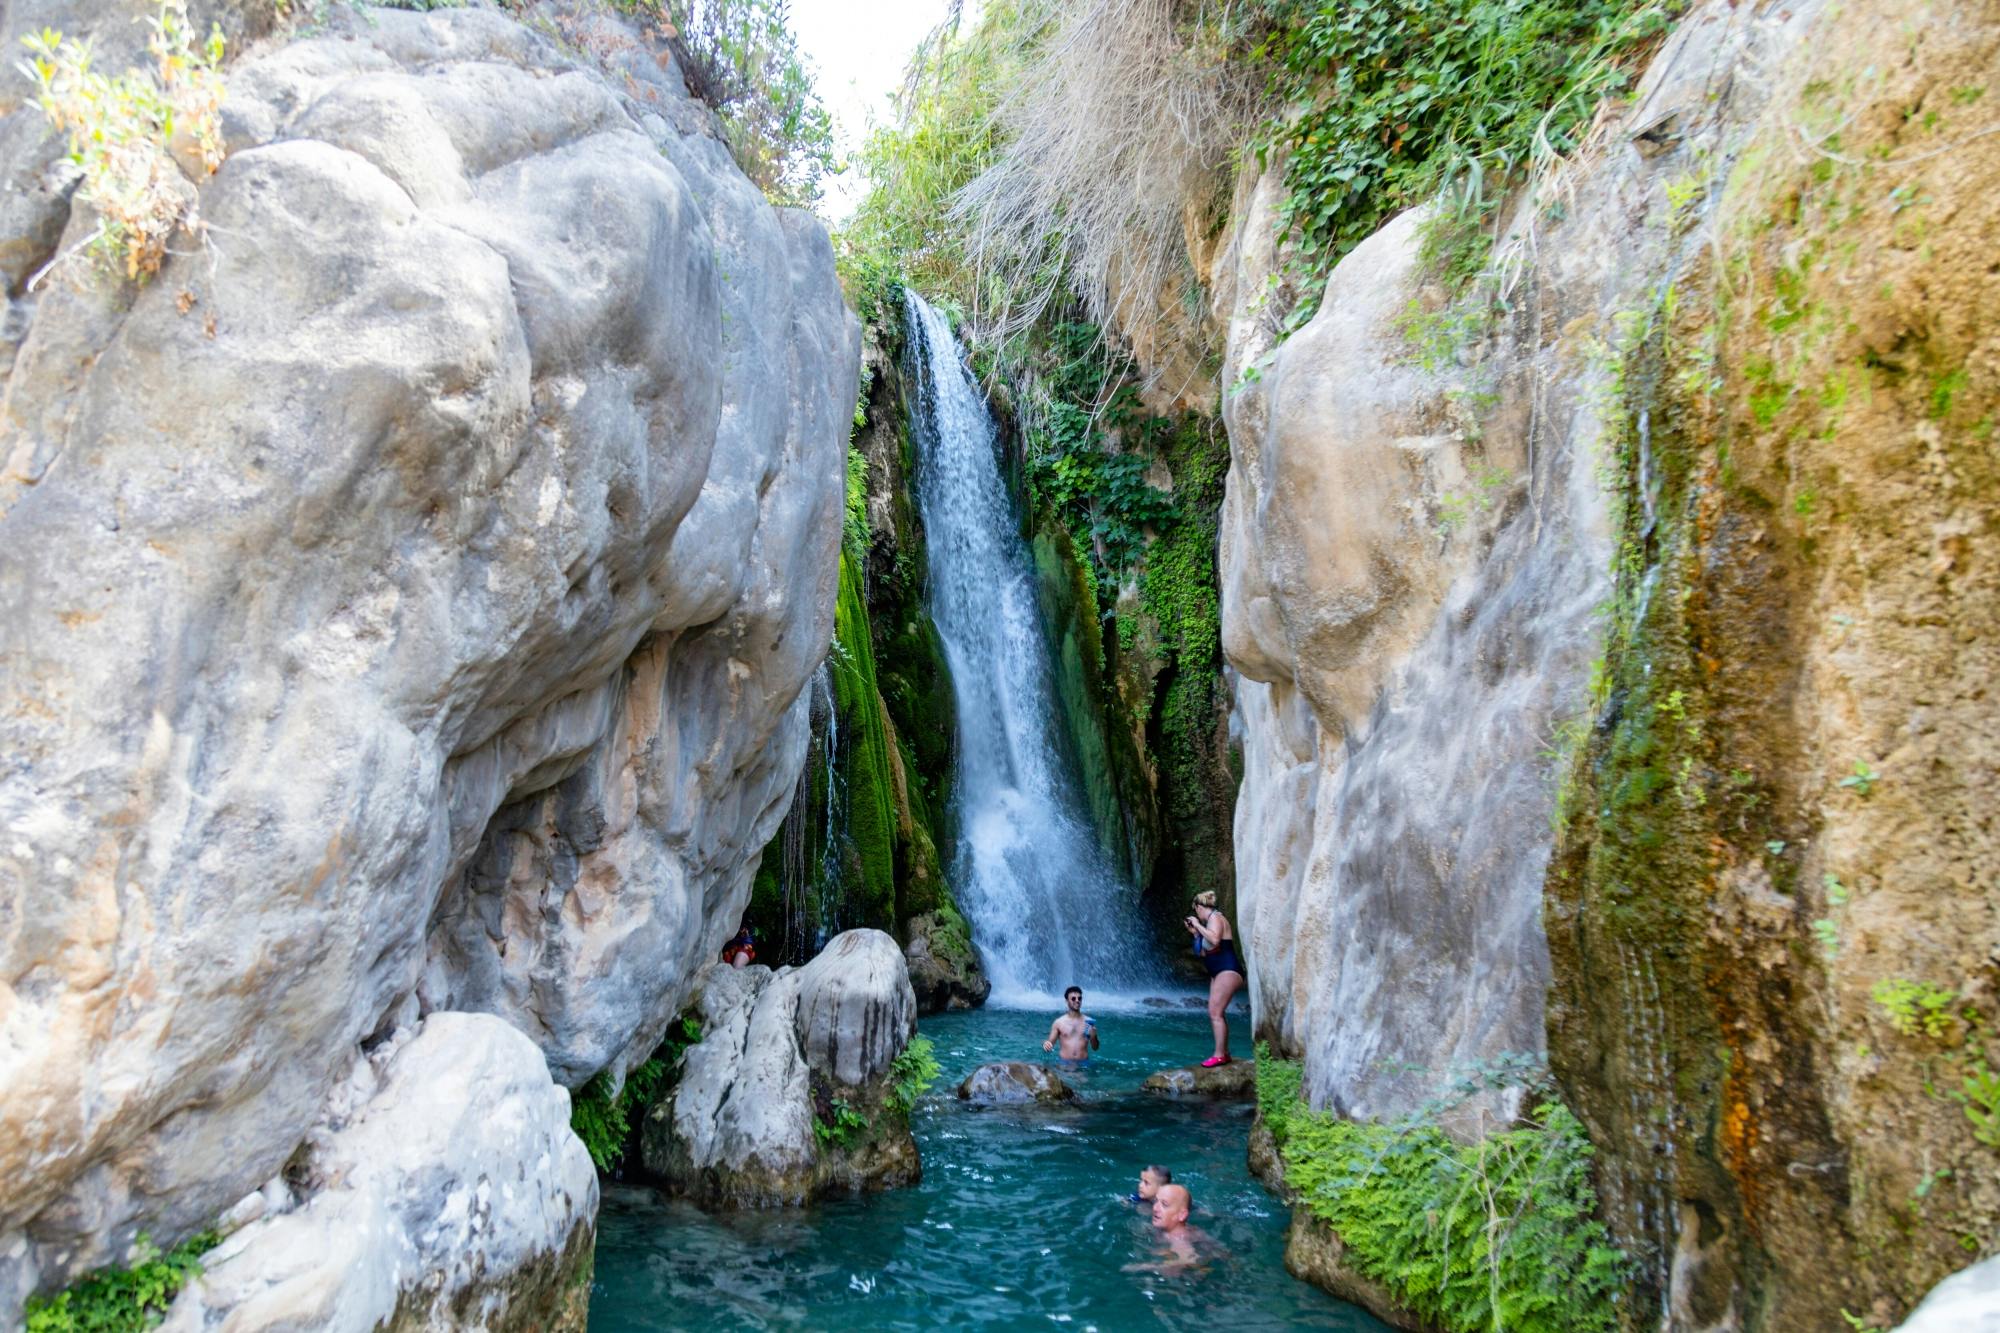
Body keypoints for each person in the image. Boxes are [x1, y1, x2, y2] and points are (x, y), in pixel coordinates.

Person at [1184, 891, 1243, 1067]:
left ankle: (1219, 1055)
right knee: (1216, 1012)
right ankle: (1223, 1053)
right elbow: (1203, 952)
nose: (1196, 916)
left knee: (1215, 1013)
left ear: (1200, 907)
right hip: (1217, 972)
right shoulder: (1208, 923)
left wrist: (1197, 924)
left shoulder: (1216, 918)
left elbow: (1215, 939)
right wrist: (1195, 933)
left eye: (1196, 911)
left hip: (1228, 969)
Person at [1124, 1183, 1206, 1275]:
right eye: (1156, 1201)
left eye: (1164, 1204)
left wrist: (1141, 1267)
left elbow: (1185, 1262)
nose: (1155, 1208)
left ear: (1181, 1215)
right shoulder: (1170, 1228)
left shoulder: (1178, 1239)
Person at [1042, 985, 1100, 1063]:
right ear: (1066, 1001)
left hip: (1083, 1063)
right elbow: (1050, 1042)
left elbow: (1095, 1048)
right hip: (1064, 1063)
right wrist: (1046, 1044)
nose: (1077, 1000)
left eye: (1079, 998)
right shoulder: (1059, 1022)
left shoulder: (1088, 1022)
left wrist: (1094, 1037)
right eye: (1073, 999)